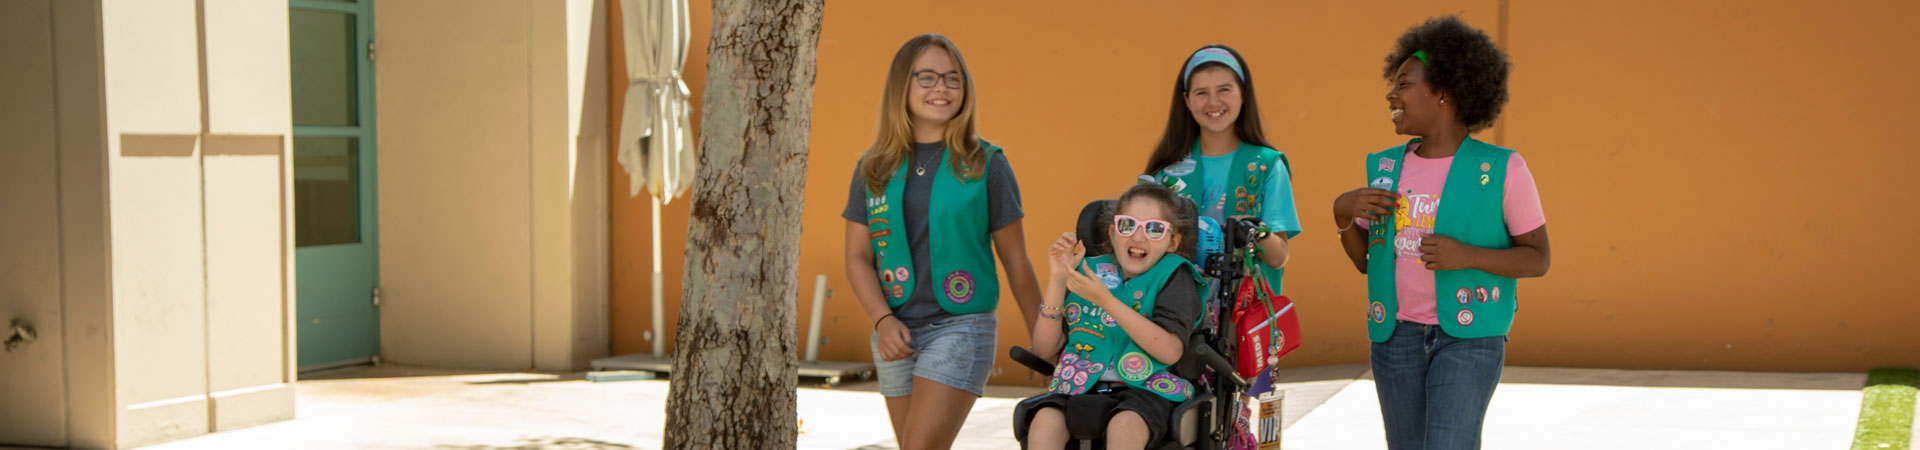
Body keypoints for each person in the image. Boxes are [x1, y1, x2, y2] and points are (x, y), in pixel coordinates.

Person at [1331, 16, 1552, 449]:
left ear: (1445, 91)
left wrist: (1465, 255)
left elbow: (1537, 258)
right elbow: (1365, 261)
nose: (1391, 94)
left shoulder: (1502, 168)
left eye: (1404, 83)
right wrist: (1341, 215)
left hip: (1469, 336)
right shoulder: (1384, 166)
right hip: (1395, 337)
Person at [840, 33, 1043, 450]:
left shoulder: (987, 164)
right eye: (928, 77)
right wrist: (882, 320)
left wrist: (1044, 343)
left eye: (953, 79)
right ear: (903, 86)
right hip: (895, 333)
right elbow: (858, 257)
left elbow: (1016, 262)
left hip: (962, 326)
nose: (942, 89)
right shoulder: (873, 167)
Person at [1025, 182, 1204, 449]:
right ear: (1112, 232)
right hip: (1078, 384)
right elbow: (1043, 348)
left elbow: (1170, 351)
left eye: (1155, 229)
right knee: (1044, 420)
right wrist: (1058, 279)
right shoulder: (1088, 271)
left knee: (1124, 425)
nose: (1138, 237)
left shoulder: (1174, 275)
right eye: (1127, 225)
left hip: (1146, 391)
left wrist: (1106, 301)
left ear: (1172, 242)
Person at [1141, 44, 1301, 296]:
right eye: (1201, 92)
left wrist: (1251, 230)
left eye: (1224, 90)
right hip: (1179, 314)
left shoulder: (1267, 165)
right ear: (1186, 100)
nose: (1213, 102)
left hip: (1244, 317)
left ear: (1243, 93)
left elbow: (1278, 257)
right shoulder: (1166, 172)